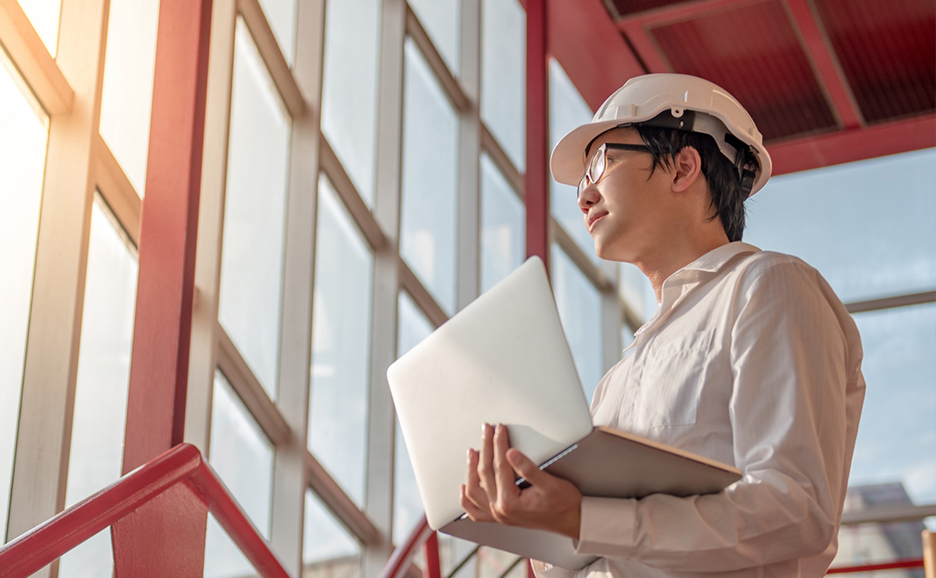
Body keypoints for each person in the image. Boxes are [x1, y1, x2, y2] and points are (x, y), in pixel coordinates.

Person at [460, 73, 866, 577]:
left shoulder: (768, 287)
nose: (583, 198)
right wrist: (532, 519)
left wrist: (585, 517)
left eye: (601, 163)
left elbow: (795, 509)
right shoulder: (616, 381)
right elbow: (593, 551)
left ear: (683, 167)